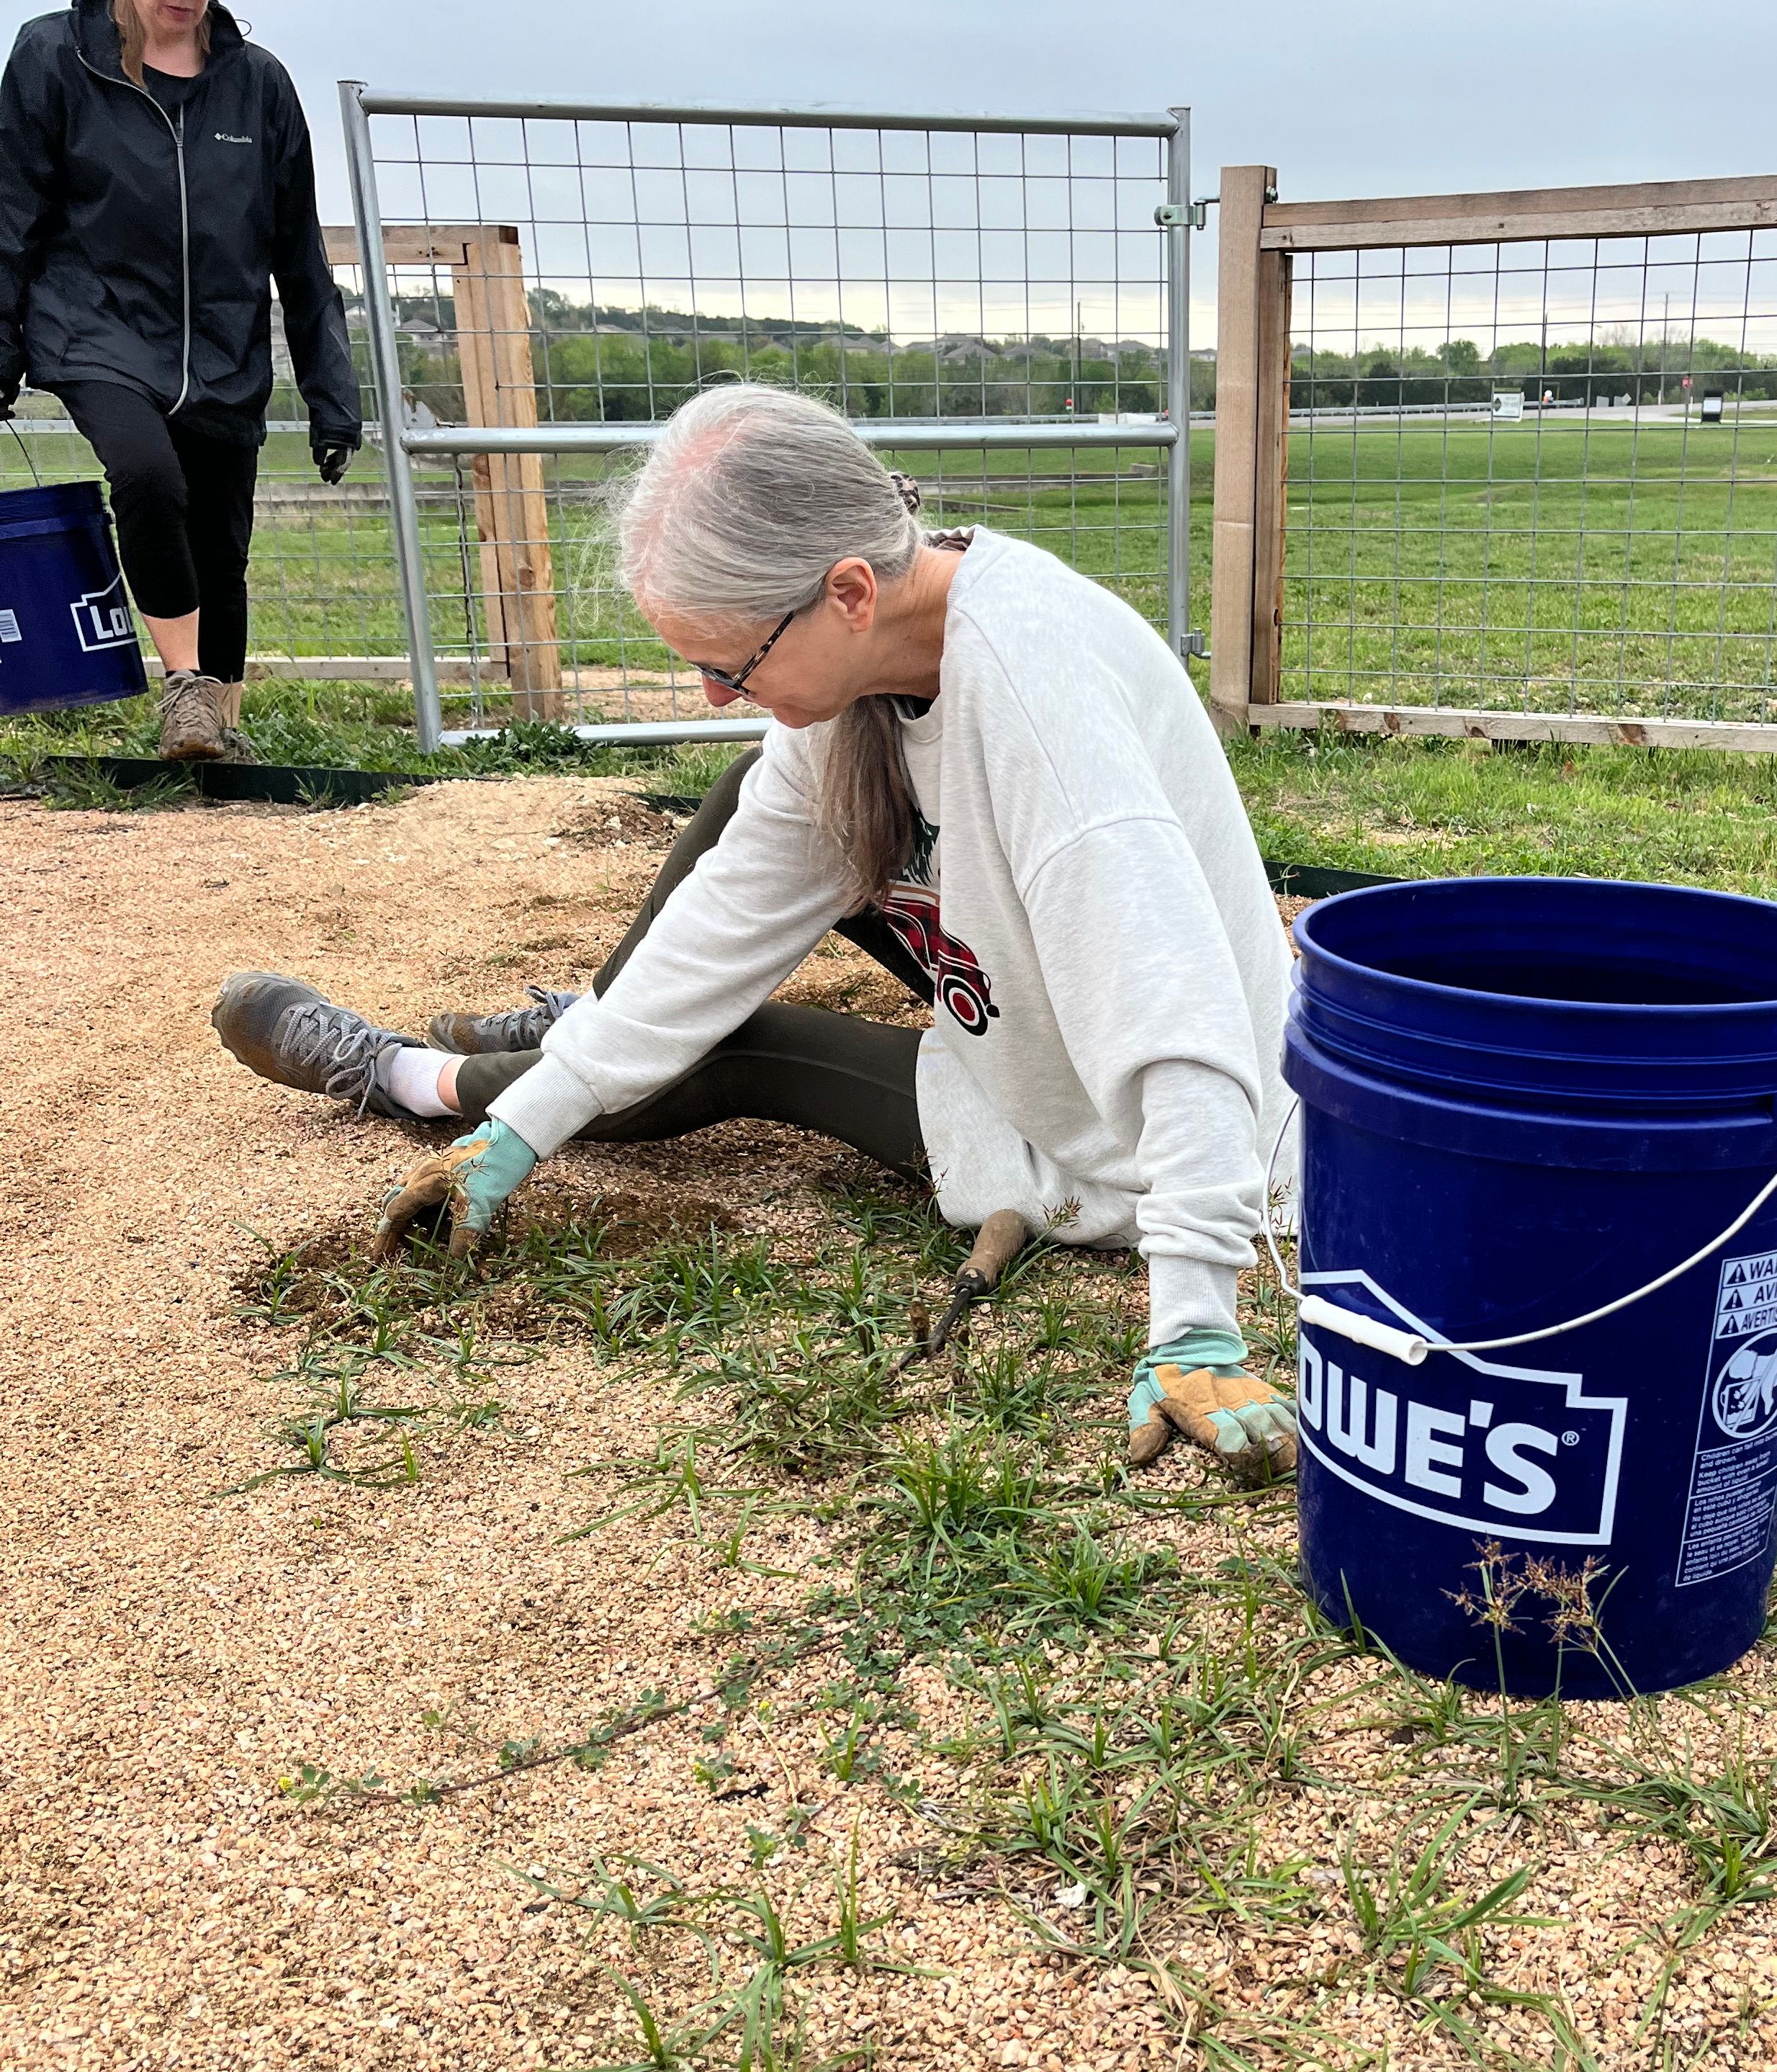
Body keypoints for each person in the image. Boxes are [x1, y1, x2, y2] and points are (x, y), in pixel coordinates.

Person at [211, 385, 1299, 1481]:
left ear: (849, 593)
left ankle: (410, 1079)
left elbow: (1178, 1020)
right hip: (1013, 1004)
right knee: (753, 806)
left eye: (733, 664)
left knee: (732, 1046)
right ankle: (538, 1064)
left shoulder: (1035, 707)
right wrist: (527, 1131)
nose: (714, 688)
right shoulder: (872, 665)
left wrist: (1194, 1320)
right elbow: (729, 915)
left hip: (1129, 1140)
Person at [0, 0, 362, 761]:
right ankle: (183, 691)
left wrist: (332, 392)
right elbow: (10, 215)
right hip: (97, 331)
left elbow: (299, 254)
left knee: (221, 546)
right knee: (148, 479)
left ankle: (216, 743)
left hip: (223, 347)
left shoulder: (260, 85)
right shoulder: (54, 58)